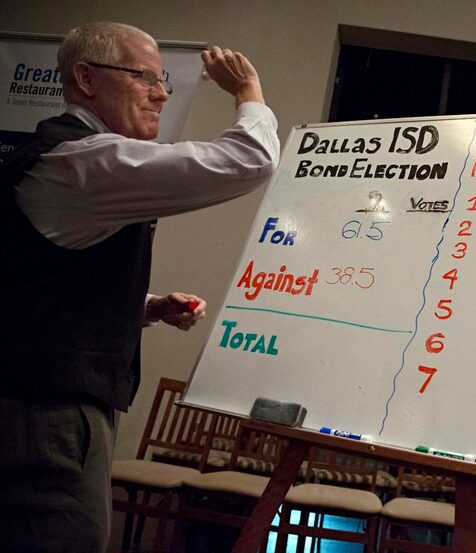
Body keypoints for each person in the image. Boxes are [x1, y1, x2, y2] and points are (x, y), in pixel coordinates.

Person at [0, 21, 279, 552]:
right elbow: (249, 159)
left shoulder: (56, 157)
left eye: (164, 80)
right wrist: (248, 93)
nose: (161, 92)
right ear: (86, 78)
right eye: (143, 76)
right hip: (46, 415)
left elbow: (33, 280)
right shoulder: (83, 159)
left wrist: (145, 307)